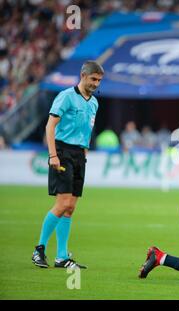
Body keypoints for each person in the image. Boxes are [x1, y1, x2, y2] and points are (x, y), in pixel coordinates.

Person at [31, 61, 104, 269]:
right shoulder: (66, 96)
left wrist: (84, 154)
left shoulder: (94, 103)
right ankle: (39, 249)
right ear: (83, 75)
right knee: (62, 204)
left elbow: (87, 132)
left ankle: (61, 256)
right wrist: (53, 156)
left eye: (99, 80)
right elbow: (50, 126)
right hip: (62, 152)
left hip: (79, 155)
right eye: (93, 79)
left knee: (70, 208)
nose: (96, 84)